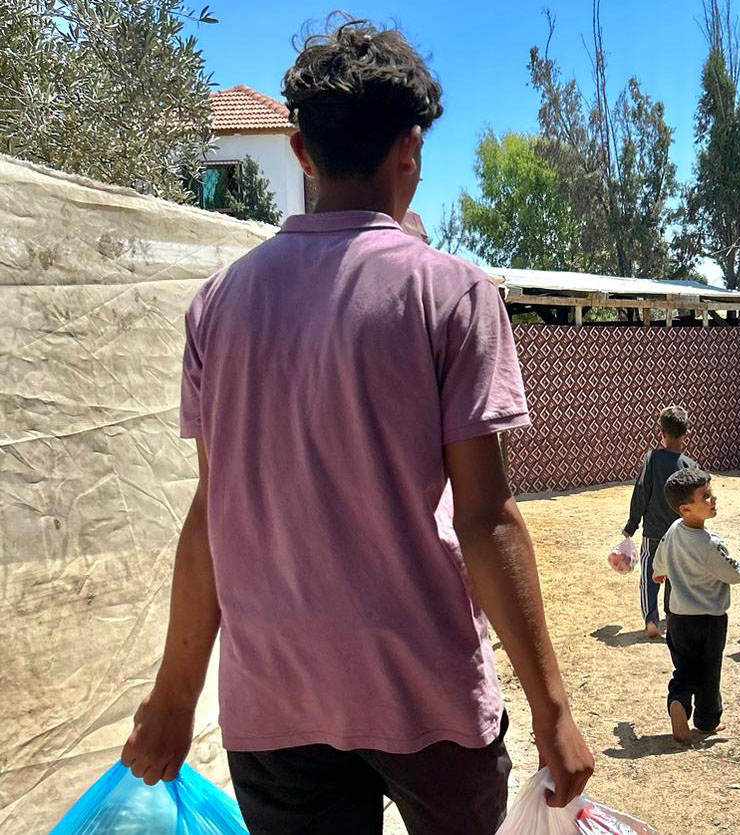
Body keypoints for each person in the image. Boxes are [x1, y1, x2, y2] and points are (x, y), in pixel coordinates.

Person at [119, 20, 593, 835]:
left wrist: (174, 696)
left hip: (275, 708)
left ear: (300, 150)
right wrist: (552, 709)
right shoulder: (451, 294)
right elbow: (484, 517)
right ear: (410, 148)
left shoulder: (220, 305)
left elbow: (210, 516)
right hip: (426, 697)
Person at [652, 469, 740, 744]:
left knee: (684, 668)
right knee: (709, 671)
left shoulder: (673, 530)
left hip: (678, 617)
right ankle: (707, 721)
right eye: (705, 496)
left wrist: (660, 572)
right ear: (686, 508)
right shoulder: (710, 544)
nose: (713, 499)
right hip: (709, 620)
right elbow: (735, 573)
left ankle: (678, 702)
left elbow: (660, 562)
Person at [622, 406, 697, 638]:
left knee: (649, 576)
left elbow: (642, 492)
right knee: (675, 573)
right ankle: (672, 614)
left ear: (661, 432)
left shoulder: (652, 458)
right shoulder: (690, 466)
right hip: (680, 533)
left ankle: (651, 620)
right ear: (686, 433)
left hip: (653, 532)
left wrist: (631, 525)